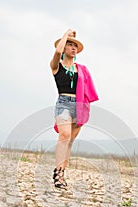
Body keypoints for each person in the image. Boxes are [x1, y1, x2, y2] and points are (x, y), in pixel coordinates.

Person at [50, 29, 98, 189]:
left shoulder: (81, 69)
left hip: (78, 106)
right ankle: (57, 174)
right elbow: (57, 51)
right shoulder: (57, 66)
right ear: (64, 48)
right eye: (69, 45)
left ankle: (61, 174)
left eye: (75, 46)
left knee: (69, 142)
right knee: (64, 136)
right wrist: (66, 35)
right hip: (63, 104)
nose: (73, 48)